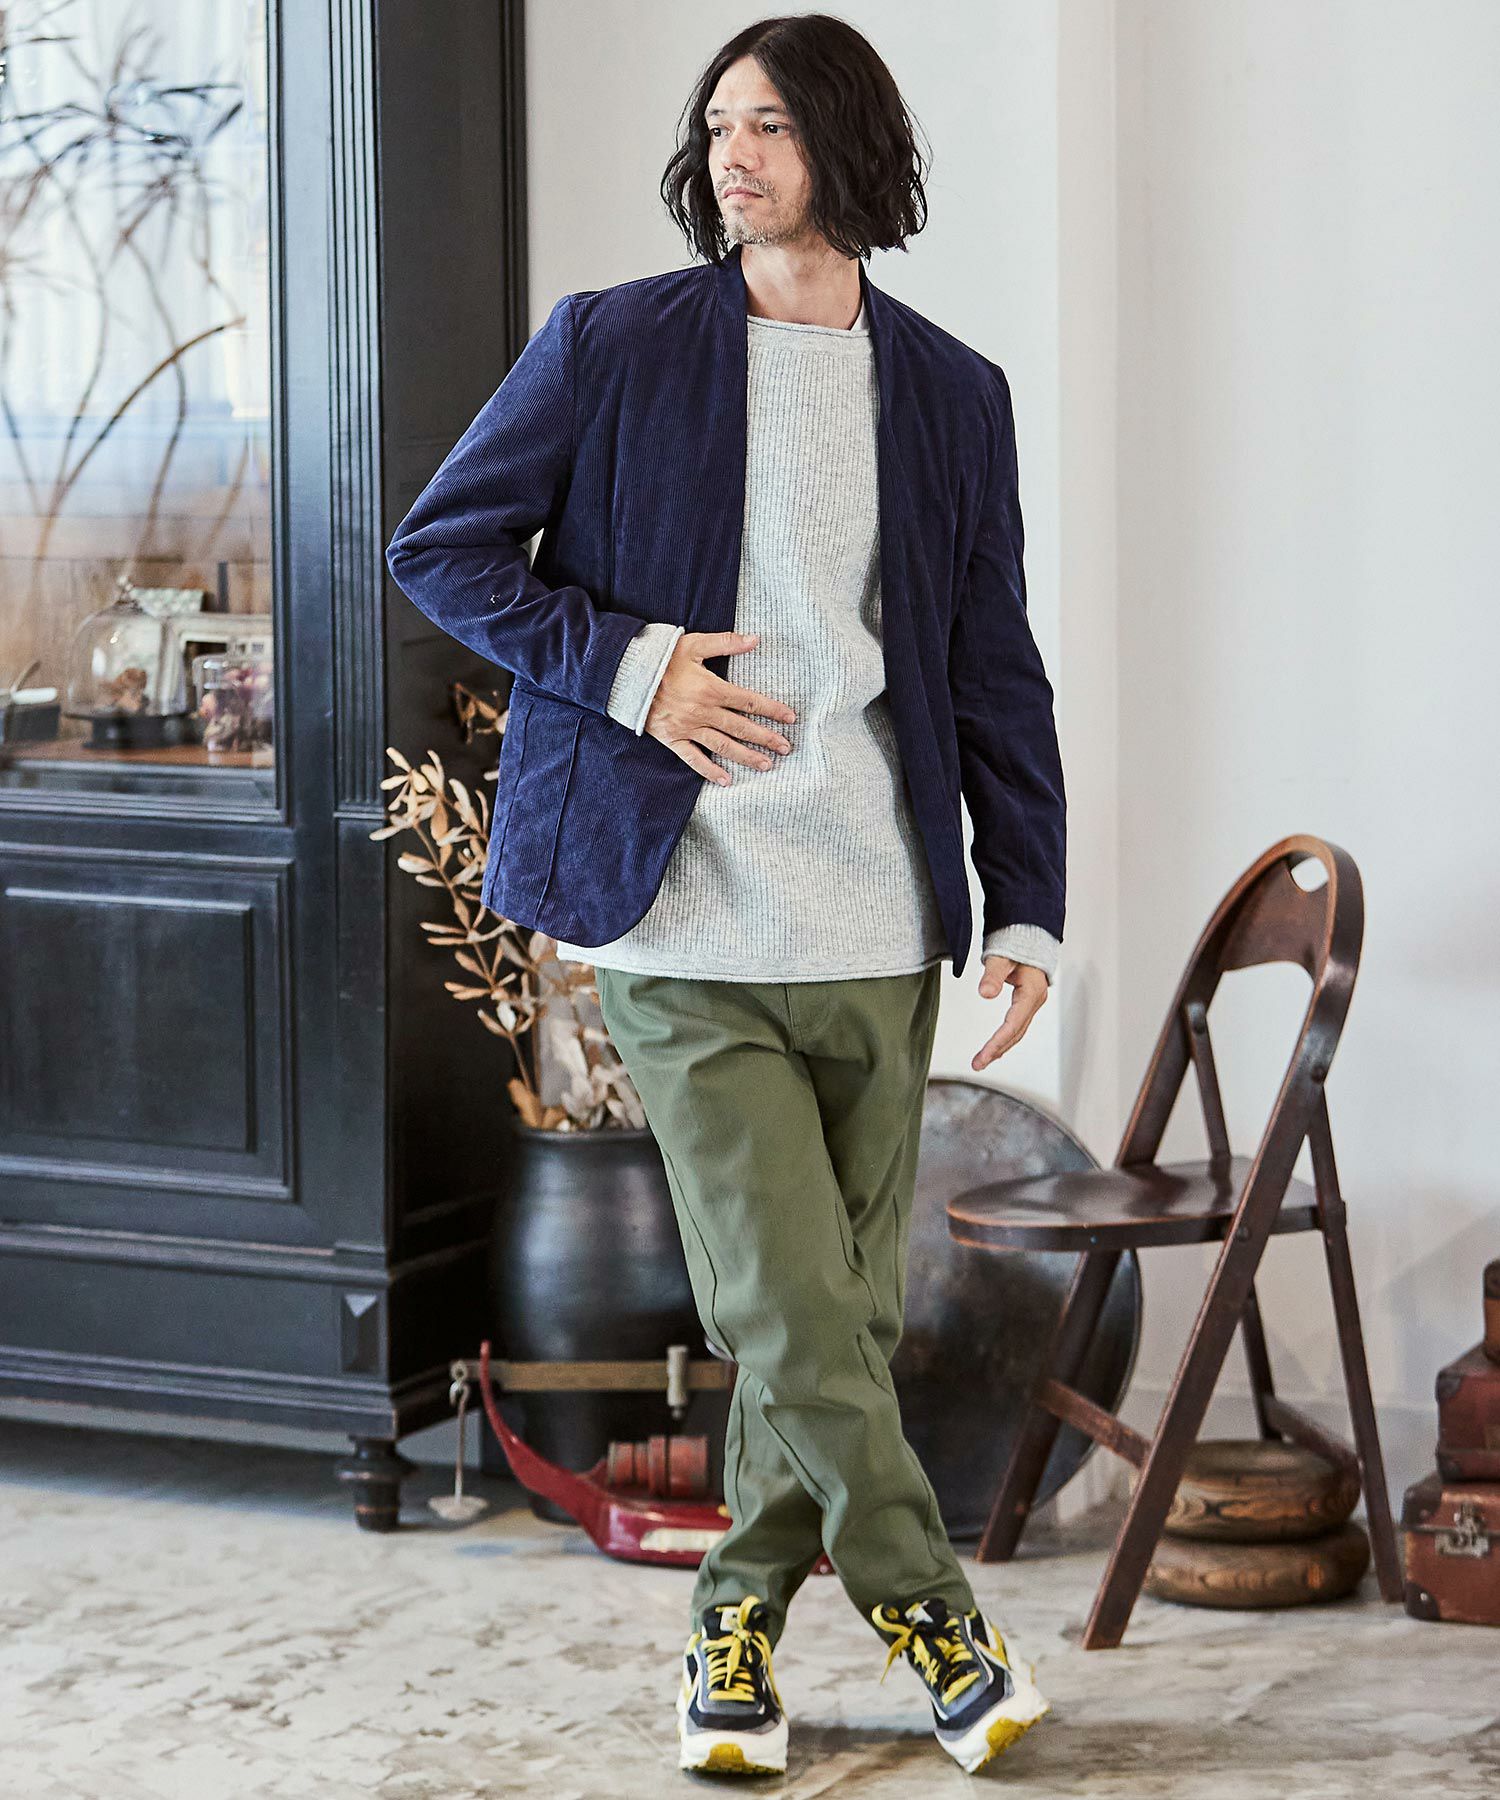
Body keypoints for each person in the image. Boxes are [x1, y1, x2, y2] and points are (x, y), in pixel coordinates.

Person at [385, 12, 1063, 1779]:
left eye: (768, 123)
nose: (731, 153)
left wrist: (1026, 906)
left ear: (849, 142)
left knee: (834, 1322)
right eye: (717, 126)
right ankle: (940, 1625)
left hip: (878, 924)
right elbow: (442, 547)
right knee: (784, 1304)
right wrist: (637, 671)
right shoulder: (612, 345)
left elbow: (993, 665)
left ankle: (731, 1640)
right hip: (682, 915)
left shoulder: (955, 392)